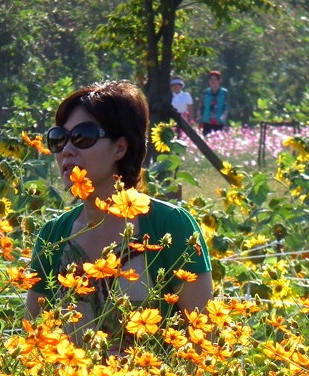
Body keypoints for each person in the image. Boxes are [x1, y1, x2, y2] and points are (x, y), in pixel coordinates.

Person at [26, 80, 213, 350]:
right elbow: (33, 339)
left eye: (83, 136)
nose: (67, 149)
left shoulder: (170, 225)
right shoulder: (53, 235)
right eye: (59, 138)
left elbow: (204, 341)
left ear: (120, 148)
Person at [200, 71, 229, 136]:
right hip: (207, 121)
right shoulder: (205, 92)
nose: (212, 81)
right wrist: (200, 117)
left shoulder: (224, 92)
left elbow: (226, 106)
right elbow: (201, 106)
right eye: (211, 79)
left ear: (219, 80)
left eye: (214, 79)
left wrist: (224, 116)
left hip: (219, 122)